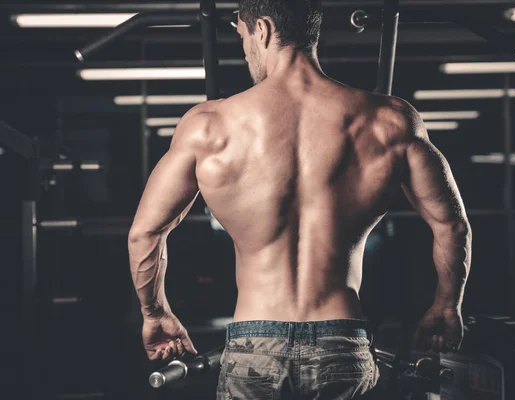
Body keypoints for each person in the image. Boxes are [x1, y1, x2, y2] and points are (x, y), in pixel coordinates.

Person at [127, 0, 472, 398]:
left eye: (243, 37)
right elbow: (452, 224)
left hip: (254, 345)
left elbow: (145, 233)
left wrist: (155, 313)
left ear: (263, 30)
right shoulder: (390, 121)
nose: (245, 52)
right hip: (342, 342)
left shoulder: (209, 128)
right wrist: (447, 306)